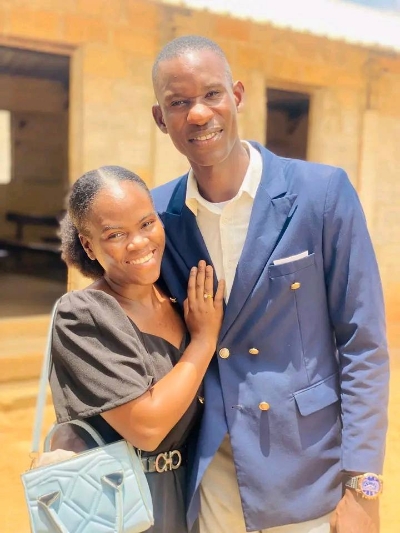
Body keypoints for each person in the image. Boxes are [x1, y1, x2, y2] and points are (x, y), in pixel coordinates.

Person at [150, 35, 389, 533]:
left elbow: (362, 344)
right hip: (209, 478)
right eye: (178, 102)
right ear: (160, 118)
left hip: (308, 474)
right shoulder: (157, 217)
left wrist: (363, 488)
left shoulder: (321, 194)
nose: (199, 113)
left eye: (211, 94)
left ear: (237, 96)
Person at [48, 165, 225, 533]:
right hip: (118, 506)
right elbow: (147, 426)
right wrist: (204, 341)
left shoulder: (179, 300)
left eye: (147, 224)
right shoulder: (83, 315)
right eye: (116, 234)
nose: (139, 243)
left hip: (187, 497)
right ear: (88, 245)